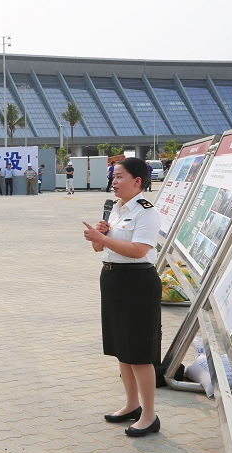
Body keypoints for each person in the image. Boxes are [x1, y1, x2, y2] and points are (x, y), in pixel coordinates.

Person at [82, 157, 162, 438]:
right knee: (122, 349)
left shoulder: (146, 211)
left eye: (119, 177)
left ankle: (150, 416)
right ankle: (131, 405)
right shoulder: (116, 209)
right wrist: (98, 235)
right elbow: (98, 249)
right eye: (113, 177)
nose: (113, 182)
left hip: (138, 282)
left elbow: (139, 250)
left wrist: (103, 239)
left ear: (137, 181)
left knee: (139, 353)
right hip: (113, 279)